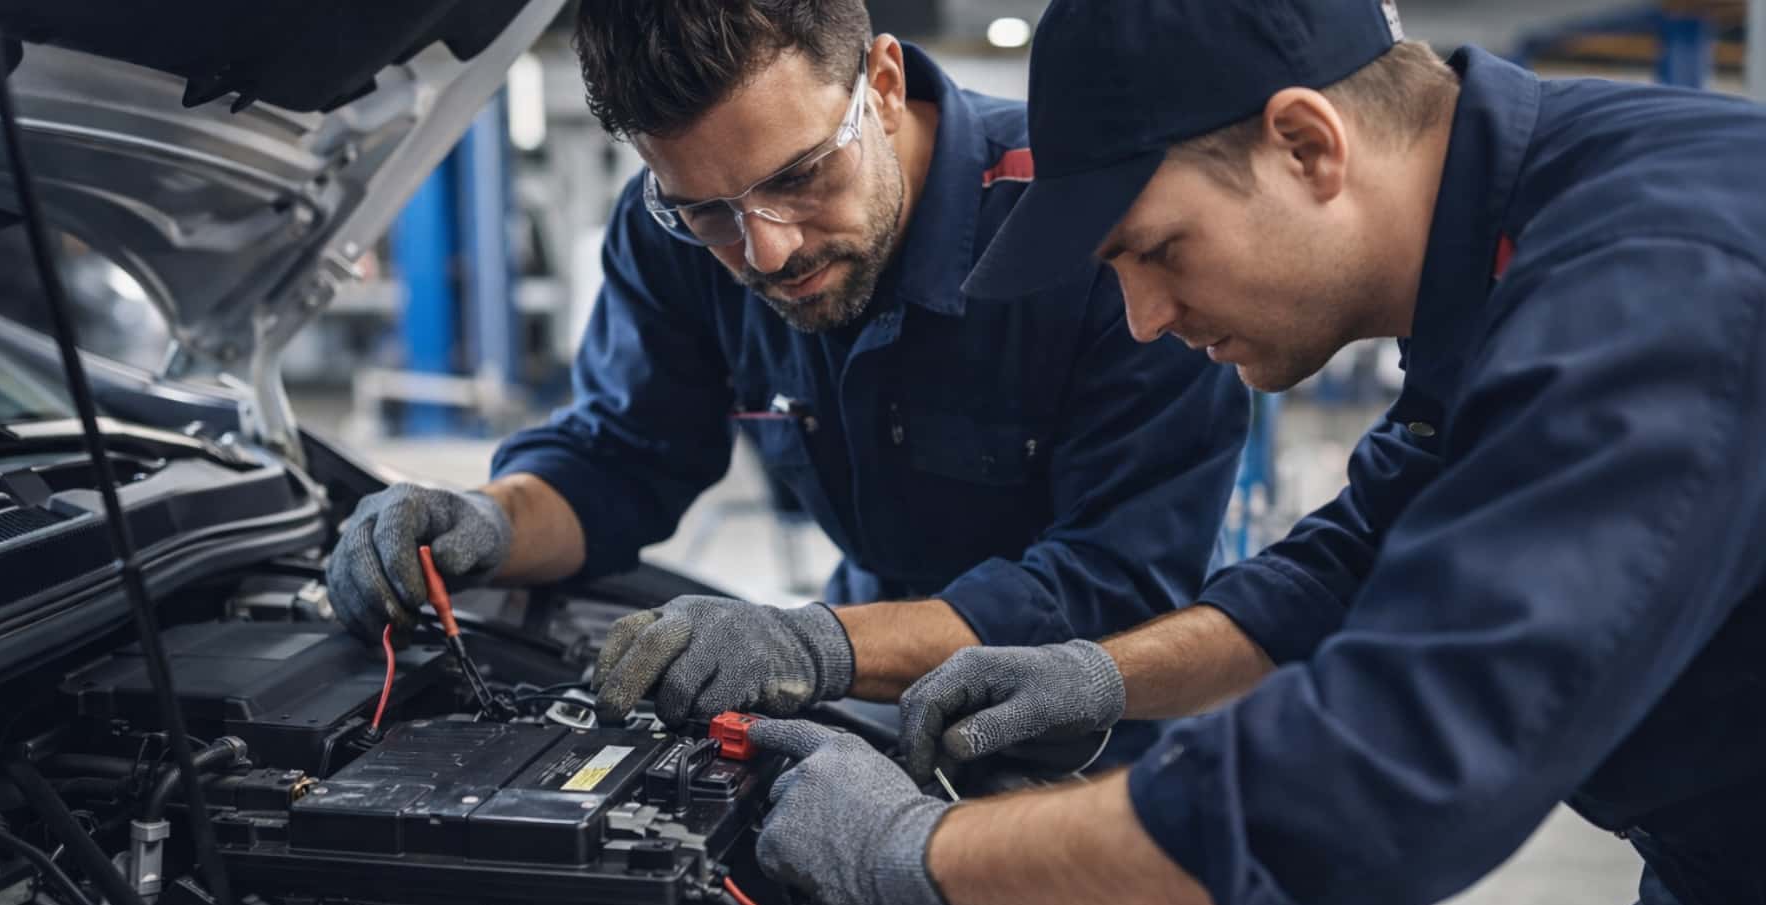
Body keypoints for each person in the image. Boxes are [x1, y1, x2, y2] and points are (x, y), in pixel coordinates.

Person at [743, 2, 1766, 905]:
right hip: (1711, 899)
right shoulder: (1508, 227)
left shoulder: (1654, 285)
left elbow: (1374, 784)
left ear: (1306, 146)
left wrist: (913, 846)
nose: (1143, 319)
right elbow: (1349, 562)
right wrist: (1102, 672)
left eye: (1160, 249)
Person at [323, 0, 1247, 740]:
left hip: (1115, 728)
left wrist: (816, 645)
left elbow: (1118, 583)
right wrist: (486, 520)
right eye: (708, 209)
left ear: (881, 86)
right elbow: (621, 458)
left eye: (800, 175)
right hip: (874, 679)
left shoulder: (1087, 225)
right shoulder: (675, 241)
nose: (765, 251)